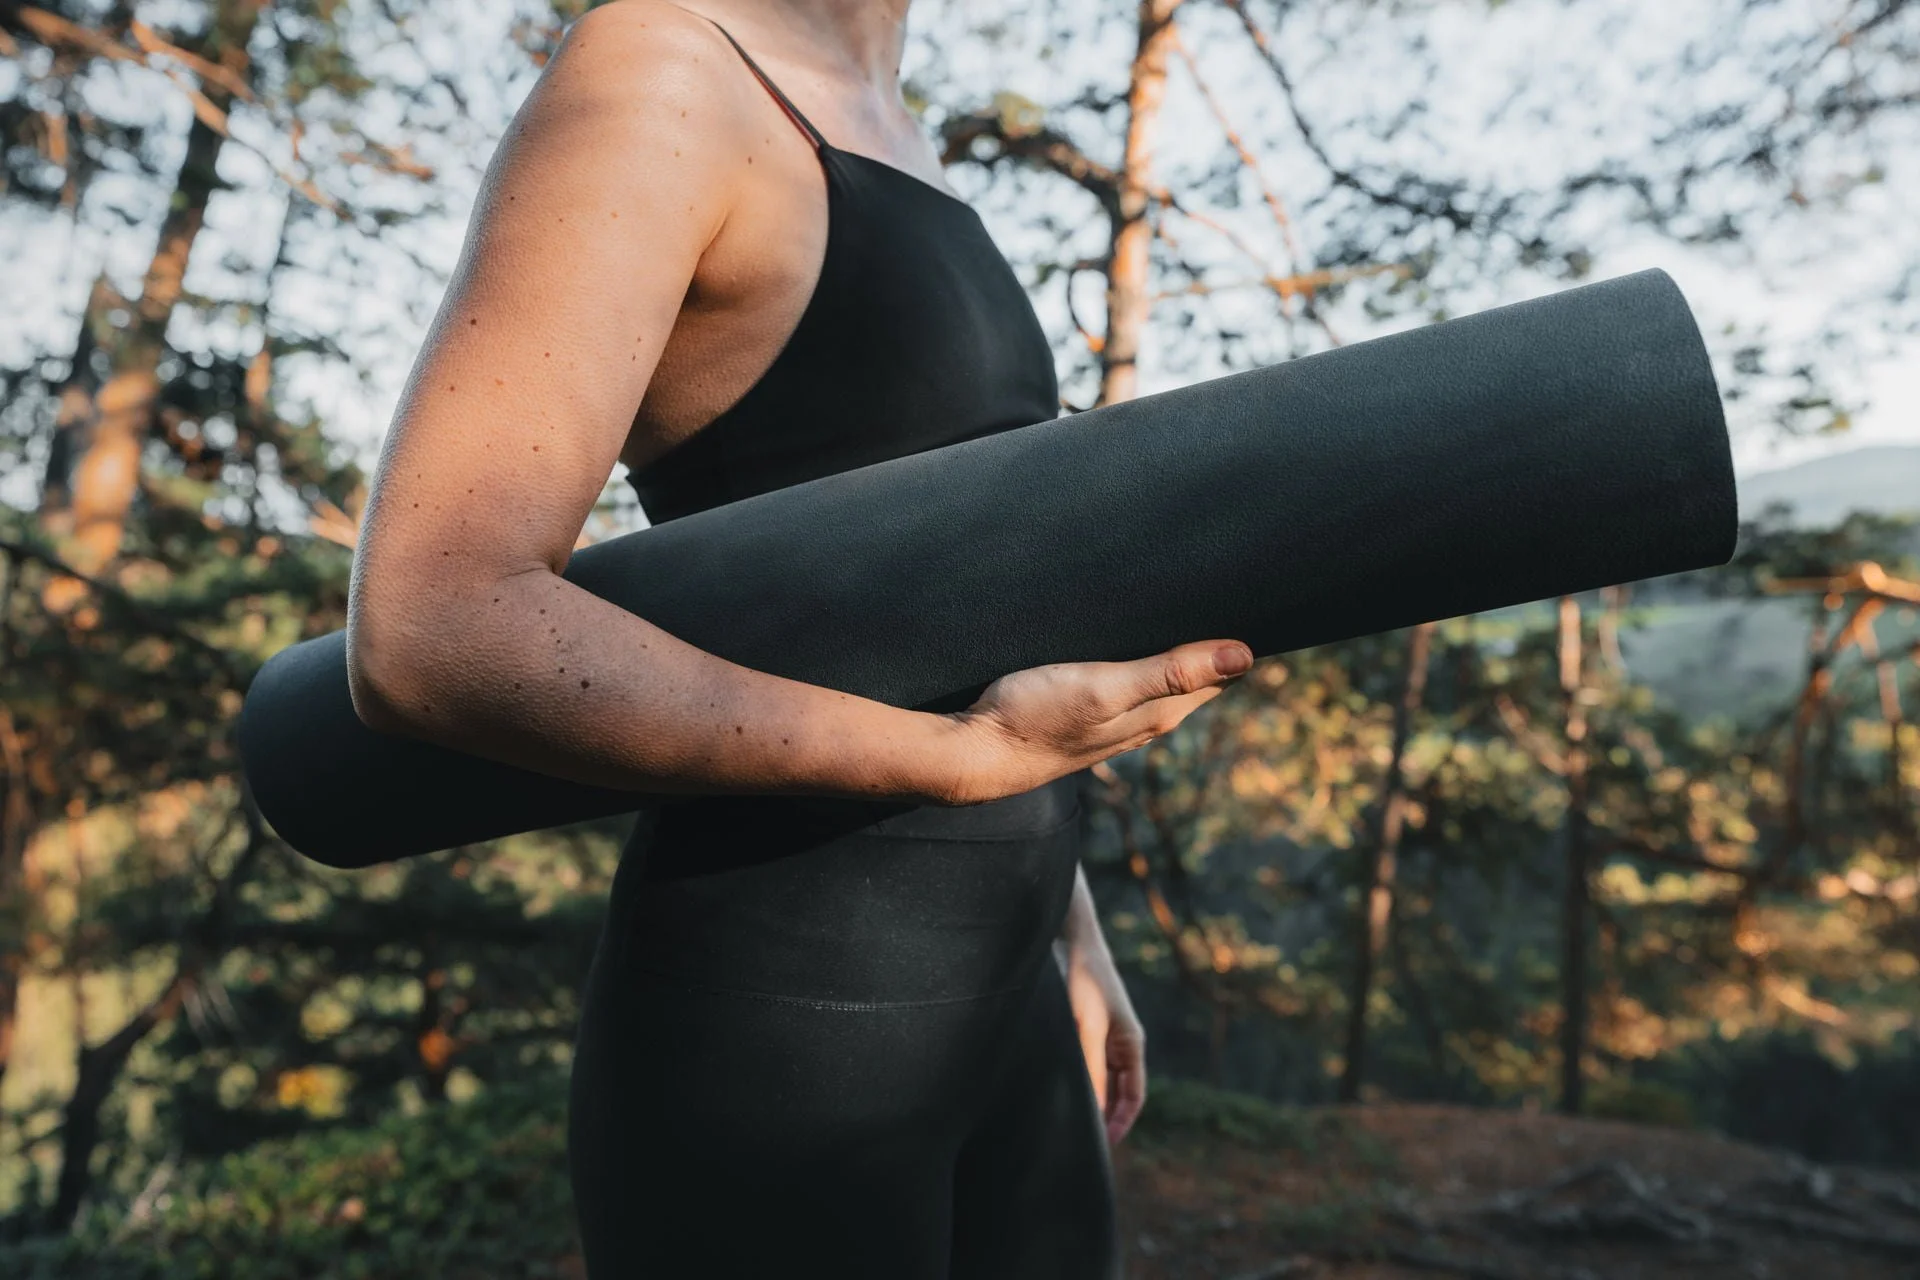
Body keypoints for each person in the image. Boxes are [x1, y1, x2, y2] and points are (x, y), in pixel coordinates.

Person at [342, 0, 1254, 1274]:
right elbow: (433, 619)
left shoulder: (896, 122)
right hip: (782, 1035)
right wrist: (955, 761)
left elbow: (959, 616)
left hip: (1016, 1002)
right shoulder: (663, 67)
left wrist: (1070, 928)